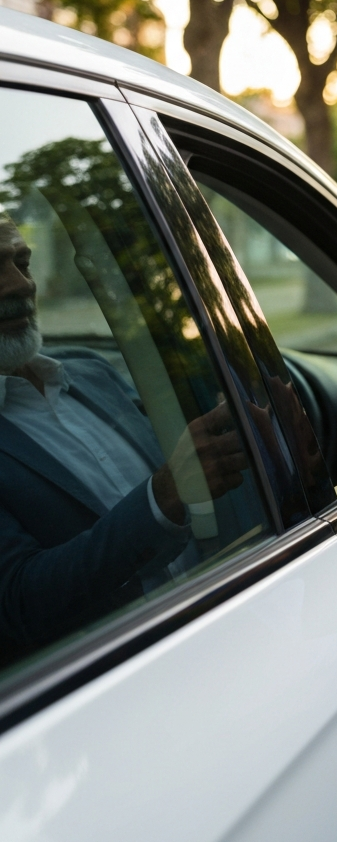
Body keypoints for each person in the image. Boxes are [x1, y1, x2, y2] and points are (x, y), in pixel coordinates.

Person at [0, 216, 247, 660]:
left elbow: (191, 464)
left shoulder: (90, 371)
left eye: (23, 262)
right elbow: (19, 604)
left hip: (227, 623)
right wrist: (165, 496)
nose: (20, 285)